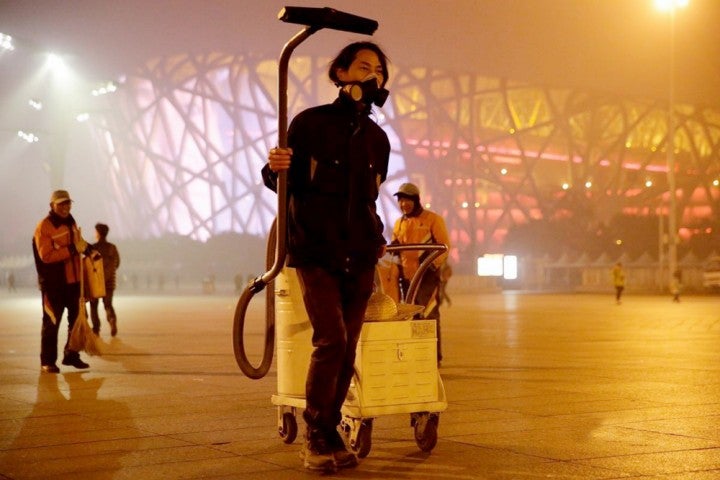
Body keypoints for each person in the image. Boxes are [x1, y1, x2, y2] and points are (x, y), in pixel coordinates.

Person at [262, 41, 390, 473]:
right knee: (331, 339)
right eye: (362, 66)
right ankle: (317, 431)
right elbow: (281, 180)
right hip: (316, 250)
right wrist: (273, 166)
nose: (371, 76)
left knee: (348, 346)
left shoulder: (378, 138)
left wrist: (376, 238)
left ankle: (330, 428)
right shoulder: (309, 124)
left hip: (360, 254)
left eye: (378, 71)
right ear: (339, 74)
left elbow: (369, 198)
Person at [389, 183, 450, 365]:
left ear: (416, 201)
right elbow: (396, 245)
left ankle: (433, 356)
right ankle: (417, 354)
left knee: (429, 314)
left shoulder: (432, 220)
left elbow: (444, 246)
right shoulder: (400, 222)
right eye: (400, 201)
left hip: (426, 277)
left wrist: (432, 266)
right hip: (407, 278)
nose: (403, 205)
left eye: (407, 200)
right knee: (411, 316)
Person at [32, 189, 92, 373]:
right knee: (52, 322)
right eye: (61, 204)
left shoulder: (71, 222)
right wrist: (73, 249)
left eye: (68, 203)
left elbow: (78, 242)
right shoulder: (45, 226)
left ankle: (71, 354)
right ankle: (47, 361)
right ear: (52, 205)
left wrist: (90, 250)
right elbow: (46, 256)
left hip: (73, 283)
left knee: (77, 320)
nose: (66, 207)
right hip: (54, 284)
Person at [89, 223, 121, 336]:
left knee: (94, 305)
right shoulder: (112, 247)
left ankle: (96, 328)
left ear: (98, 233)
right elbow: (117, 263)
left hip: (96, 282)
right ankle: (112, 320)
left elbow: (89, 265)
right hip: (109, 283)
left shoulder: (93, 248)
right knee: (108, 304)